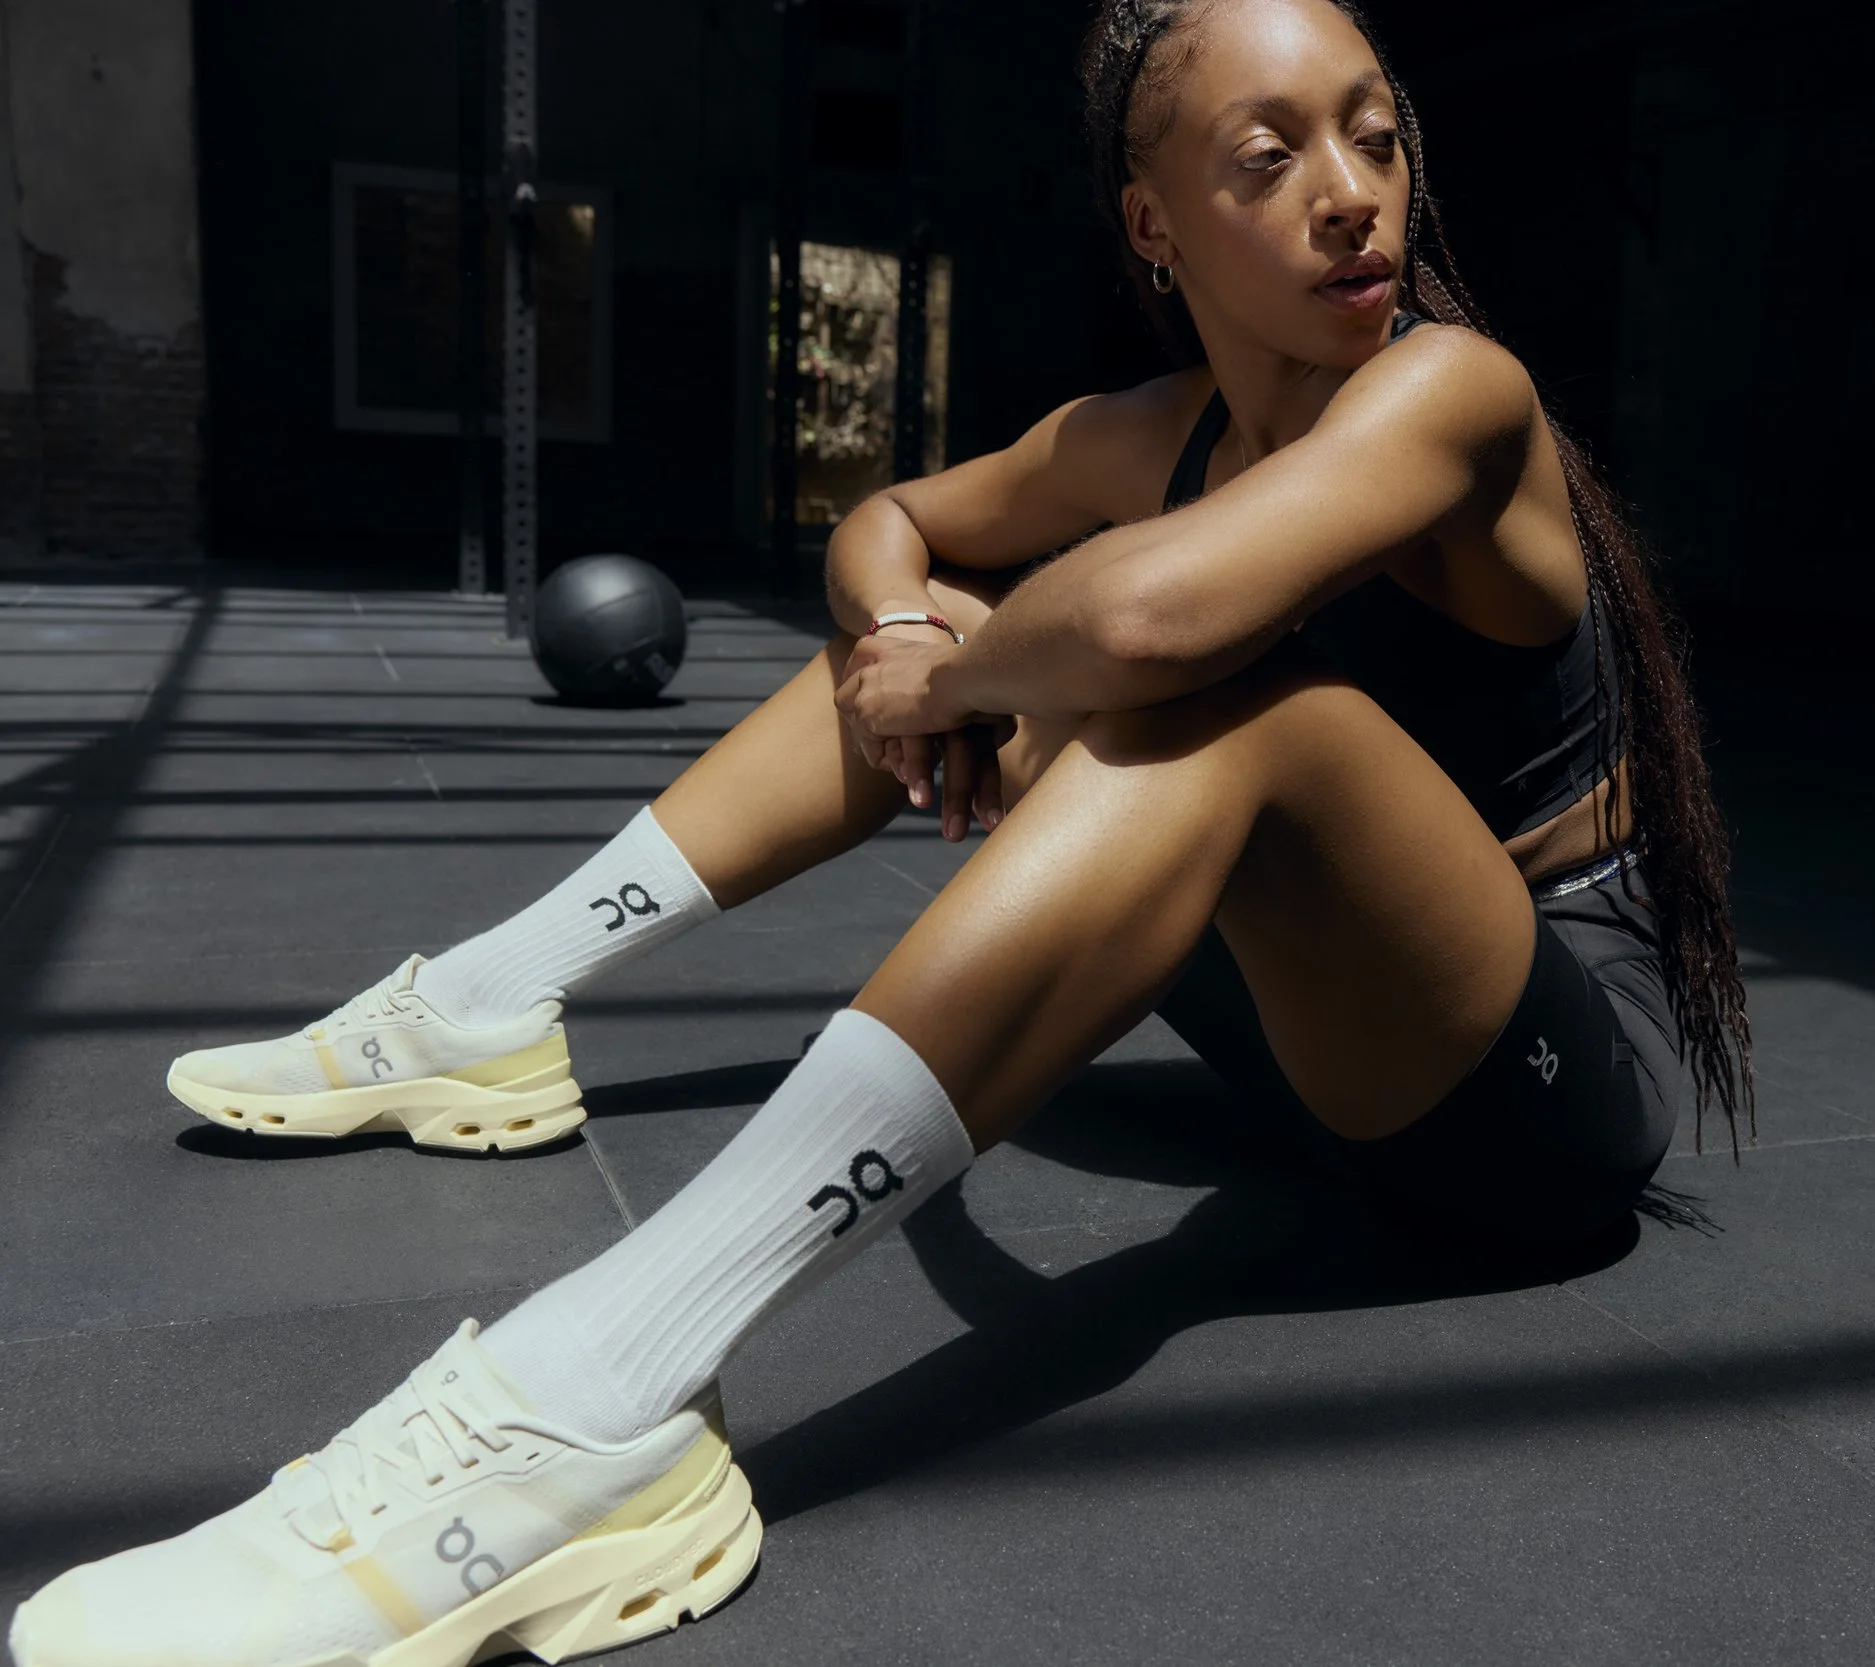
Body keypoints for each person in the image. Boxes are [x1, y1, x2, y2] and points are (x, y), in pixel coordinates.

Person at [6, 0, 1752, 1661]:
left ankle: (594, 1396)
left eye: (1376, 137)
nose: (1351, 192)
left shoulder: (1456, 393)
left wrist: (964, 676)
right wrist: (916, 641)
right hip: (1298, 1042)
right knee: (945, 630)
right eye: (1268, 156)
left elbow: (1151, 620)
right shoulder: (1150, 435)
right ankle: (492, 1000)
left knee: (1218, 702)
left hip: (1526, 1093)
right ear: (1153, 224)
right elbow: (891, 518)